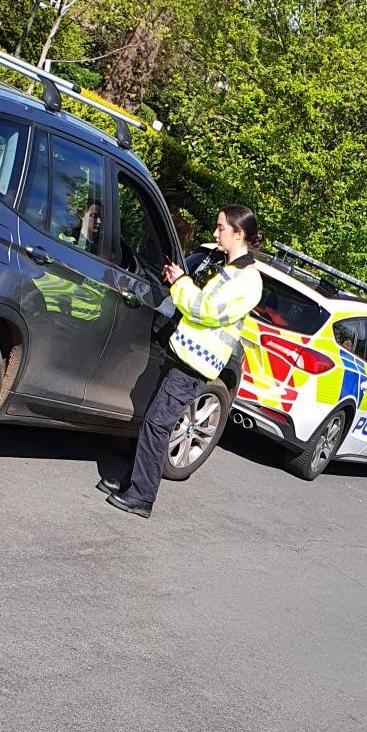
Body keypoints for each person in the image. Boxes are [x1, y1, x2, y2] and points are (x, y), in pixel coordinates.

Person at [97, 204, 264, 518]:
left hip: (195, 364)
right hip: (184, 354)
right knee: (153, 420)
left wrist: (181, 283)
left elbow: (206, 311)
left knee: (157, 424)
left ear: (239, 234)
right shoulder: (229, 268)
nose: (216, 234)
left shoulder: (248, 280)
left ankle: (141, 496)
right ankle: (131, 483)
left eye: (221, 228)